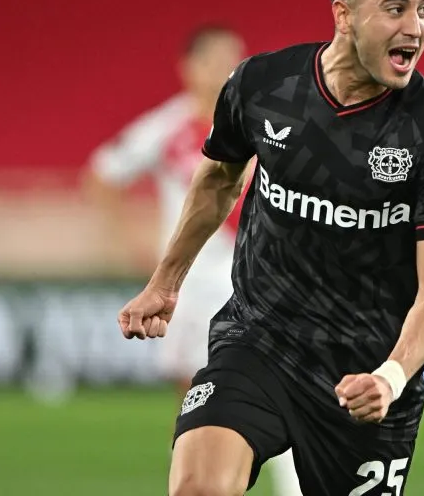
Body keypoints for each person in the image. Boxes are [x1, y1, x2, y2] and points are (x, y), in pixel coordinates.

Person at [117, 0, 424, 496]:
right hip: (259, 341)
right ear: (344, 14)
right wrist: (166, 282)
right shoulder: (264, 86)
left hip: (362, 377)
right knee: (198, 488)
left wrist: (391, 375)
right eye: (396, 8)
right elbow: (218, 179)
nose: (416, 27)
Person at [87, 25, 302, 496]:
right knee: (196, 398)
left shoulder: (264, 122)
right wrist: (131, 243)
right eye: (217, 59)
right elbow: (102, 173)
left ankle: (291, 485)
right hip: (191, 284)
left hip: (256, 277)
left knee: (274, 384)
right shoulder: (167, 128)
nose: (229, 70)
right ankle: (196, 480)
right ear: (190, 68)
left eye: (236, 58)